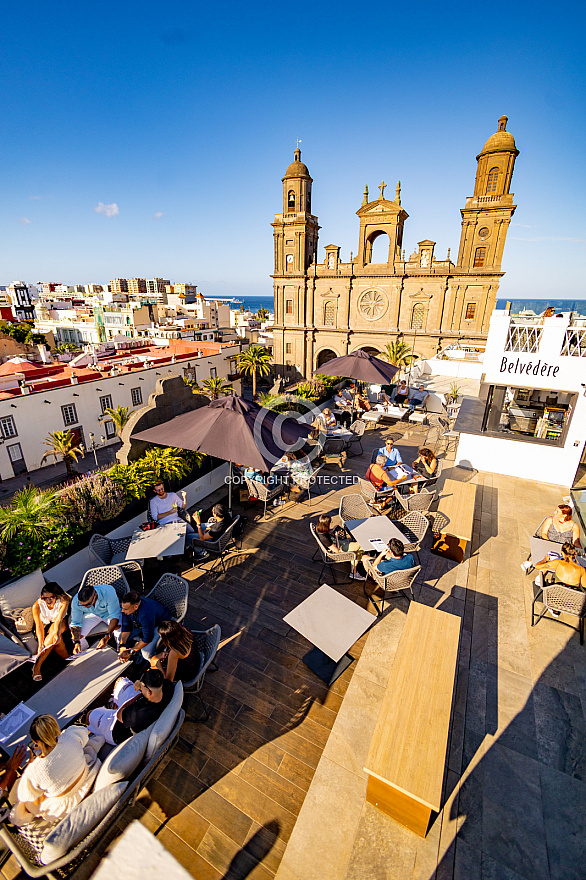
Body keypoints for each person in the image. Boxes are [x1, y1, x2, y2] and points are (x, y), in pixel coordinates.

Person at [10, 715, 102, 826]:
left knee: (24, 805)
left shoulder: (34, 771)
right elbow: (83, 732)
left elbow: (25, 795)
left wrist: (31, 763)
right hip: (85, 778)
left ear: (35, 741)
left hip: (65, 803)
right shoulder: (71, 736)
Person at [87, 668, 174, 746]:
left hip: (118, 729)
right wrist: (142, 690)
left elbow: (119, 714)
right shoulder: (167, 687)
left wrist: (139, 694)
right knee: (120, 680)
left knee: (90, 715)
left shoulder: (137, 713)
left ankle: (85, 718)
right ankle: (113, 705)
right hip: (135, 709)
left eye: (142, 686)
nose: (140, 687)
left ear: (149, 692)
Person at [520, 504, 582, 574]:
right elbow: (543, 533)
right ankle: (540, 574)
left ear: (564, 515)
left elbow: (576, 542)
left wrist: (580, 551)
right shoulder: (550, 520)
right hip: (548, 542)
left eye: (557, 512)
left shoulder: (574, 526)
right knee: (549, 554)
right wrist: (549, 543)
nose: (554, 512)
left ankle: (533, 564)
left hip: (562, 548)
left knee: (557, 557)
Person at [31, 582, 72, 682]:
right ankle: (67, 658)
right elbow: (39, 626)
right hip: (45, 625)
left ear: (56, 596)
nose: (48, 600)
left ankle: (37, 665)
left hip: (61, 621)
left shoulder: (63, 601)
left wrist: (57, 633)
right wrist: (41, 644)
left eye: (51, 598)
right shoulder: (36, 606)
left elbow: (58, 620)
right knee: (57, 641)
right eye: (45, 598)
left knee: (55, 634)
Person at [118, 591, 173, 663]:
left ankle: (154, 663)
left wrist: (131, 651)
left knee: (146, 652)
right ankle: (132, 658)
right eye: (122, 608)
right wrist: (122, 646)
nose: (122, 611)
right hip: (142, 624)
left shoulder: (146, 614)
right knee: (121, 639)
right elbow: (126, 627)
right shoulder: (127, 609)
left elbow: (148, 638)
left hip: (161, 624)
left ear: (136, 607)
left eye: (125, 609)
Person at [533, 542, 586, 616]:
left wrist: (545, 559)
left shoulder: (557, 563)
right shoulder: (581, 570)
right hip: (572, 603)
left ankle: (554, 609)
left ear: (562, 553)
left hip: (554, 598)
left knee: (553, 578)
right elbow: (585, 588)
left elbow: (537, 566)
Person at [70, 582, 121, 653]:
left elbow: (114, 616)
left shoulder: (108, 591)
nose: (84, 607)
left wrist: (106, 637)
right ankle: (82, 653)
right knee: (76, 636)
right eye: (82, 605)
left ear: (95, 596)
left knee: (119, 628)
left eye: (88, 604)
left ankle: (121, 650)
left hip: (108, 613)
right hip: (91, 614)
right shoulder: (75, 601)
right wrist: (77, 642)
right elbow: (75, 623)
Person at [315, 514, 365, 579]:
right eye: (330, 523)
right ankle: (354, 572)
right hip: (338, 549)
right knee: (360, 546)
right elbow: (337, 551)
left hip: (335, 544)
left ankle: (355, 570)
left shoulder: (319, 530)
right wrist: (336, 536)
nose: (330, 524)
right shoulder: (325, 539)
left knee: (357, 548)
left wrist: (332, 530)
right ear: (326, 525)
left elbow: (326, 533)